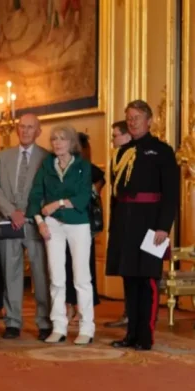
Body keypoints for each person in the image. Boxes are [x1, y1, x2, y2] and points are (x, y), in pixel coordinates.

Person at [107, 100, 179, 351]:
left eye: (137, 117)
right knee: (130, 280)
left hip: (151, 226)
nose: (132, 121)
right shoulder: (121, 152)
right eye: (129, 117)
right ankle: (131, 334)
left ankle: (145, 337)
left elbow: (171, 194)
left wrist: (163, 227)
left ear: (149, 121)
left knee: (147, 280)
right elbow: (116, 193)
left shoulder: (162, 151)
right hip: (126, 224)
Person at [26, 125, 94, 345]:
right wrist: (39, 222)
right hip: (51, 225)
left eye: (62, 139)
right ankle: (59, 326)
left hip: (78, 223)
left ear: (71, 143)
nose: (57, 143)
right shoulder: (47, 165)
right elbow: (36, 195)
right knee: (56, 277)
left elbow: (84, 197)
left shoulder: (83, 166)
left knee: (81, 278)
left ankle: (86, 328)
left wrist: (58, 203)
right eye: (54, 139)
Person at [0, 113, 52, 340]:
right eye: (22, 127)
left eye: (30, 127)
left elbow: (50, 190)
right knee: (11, 273)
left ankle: (44, 321)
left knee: (41, 274)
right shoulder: (3, 157)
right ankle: (13, 321)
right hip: (8, 222)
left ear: (38, 131)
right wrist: (11, 212)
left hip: (36, 223)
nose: (25, 131)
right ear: (17, 130)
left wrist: (31, 211)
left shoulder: (47, 157)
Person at [64, 132, 104, 320]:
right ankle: (69, 305)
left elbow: (100, 178)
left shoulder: (87, 167)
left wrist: (94, 190)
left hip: (83, 223)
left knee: (83, 267)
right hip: (63, 222)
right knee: (66, 267)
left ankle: (83, 307)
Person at [104, 120, 132, 328]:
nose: (112, 139)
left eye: (115, 135)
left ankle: (133, 313)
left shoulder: (134, 154)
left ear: (127, 136)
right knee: (124, 268)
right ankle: (127, 311)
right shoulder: (116, 156)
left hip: (134, 218)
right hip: (120, 217)